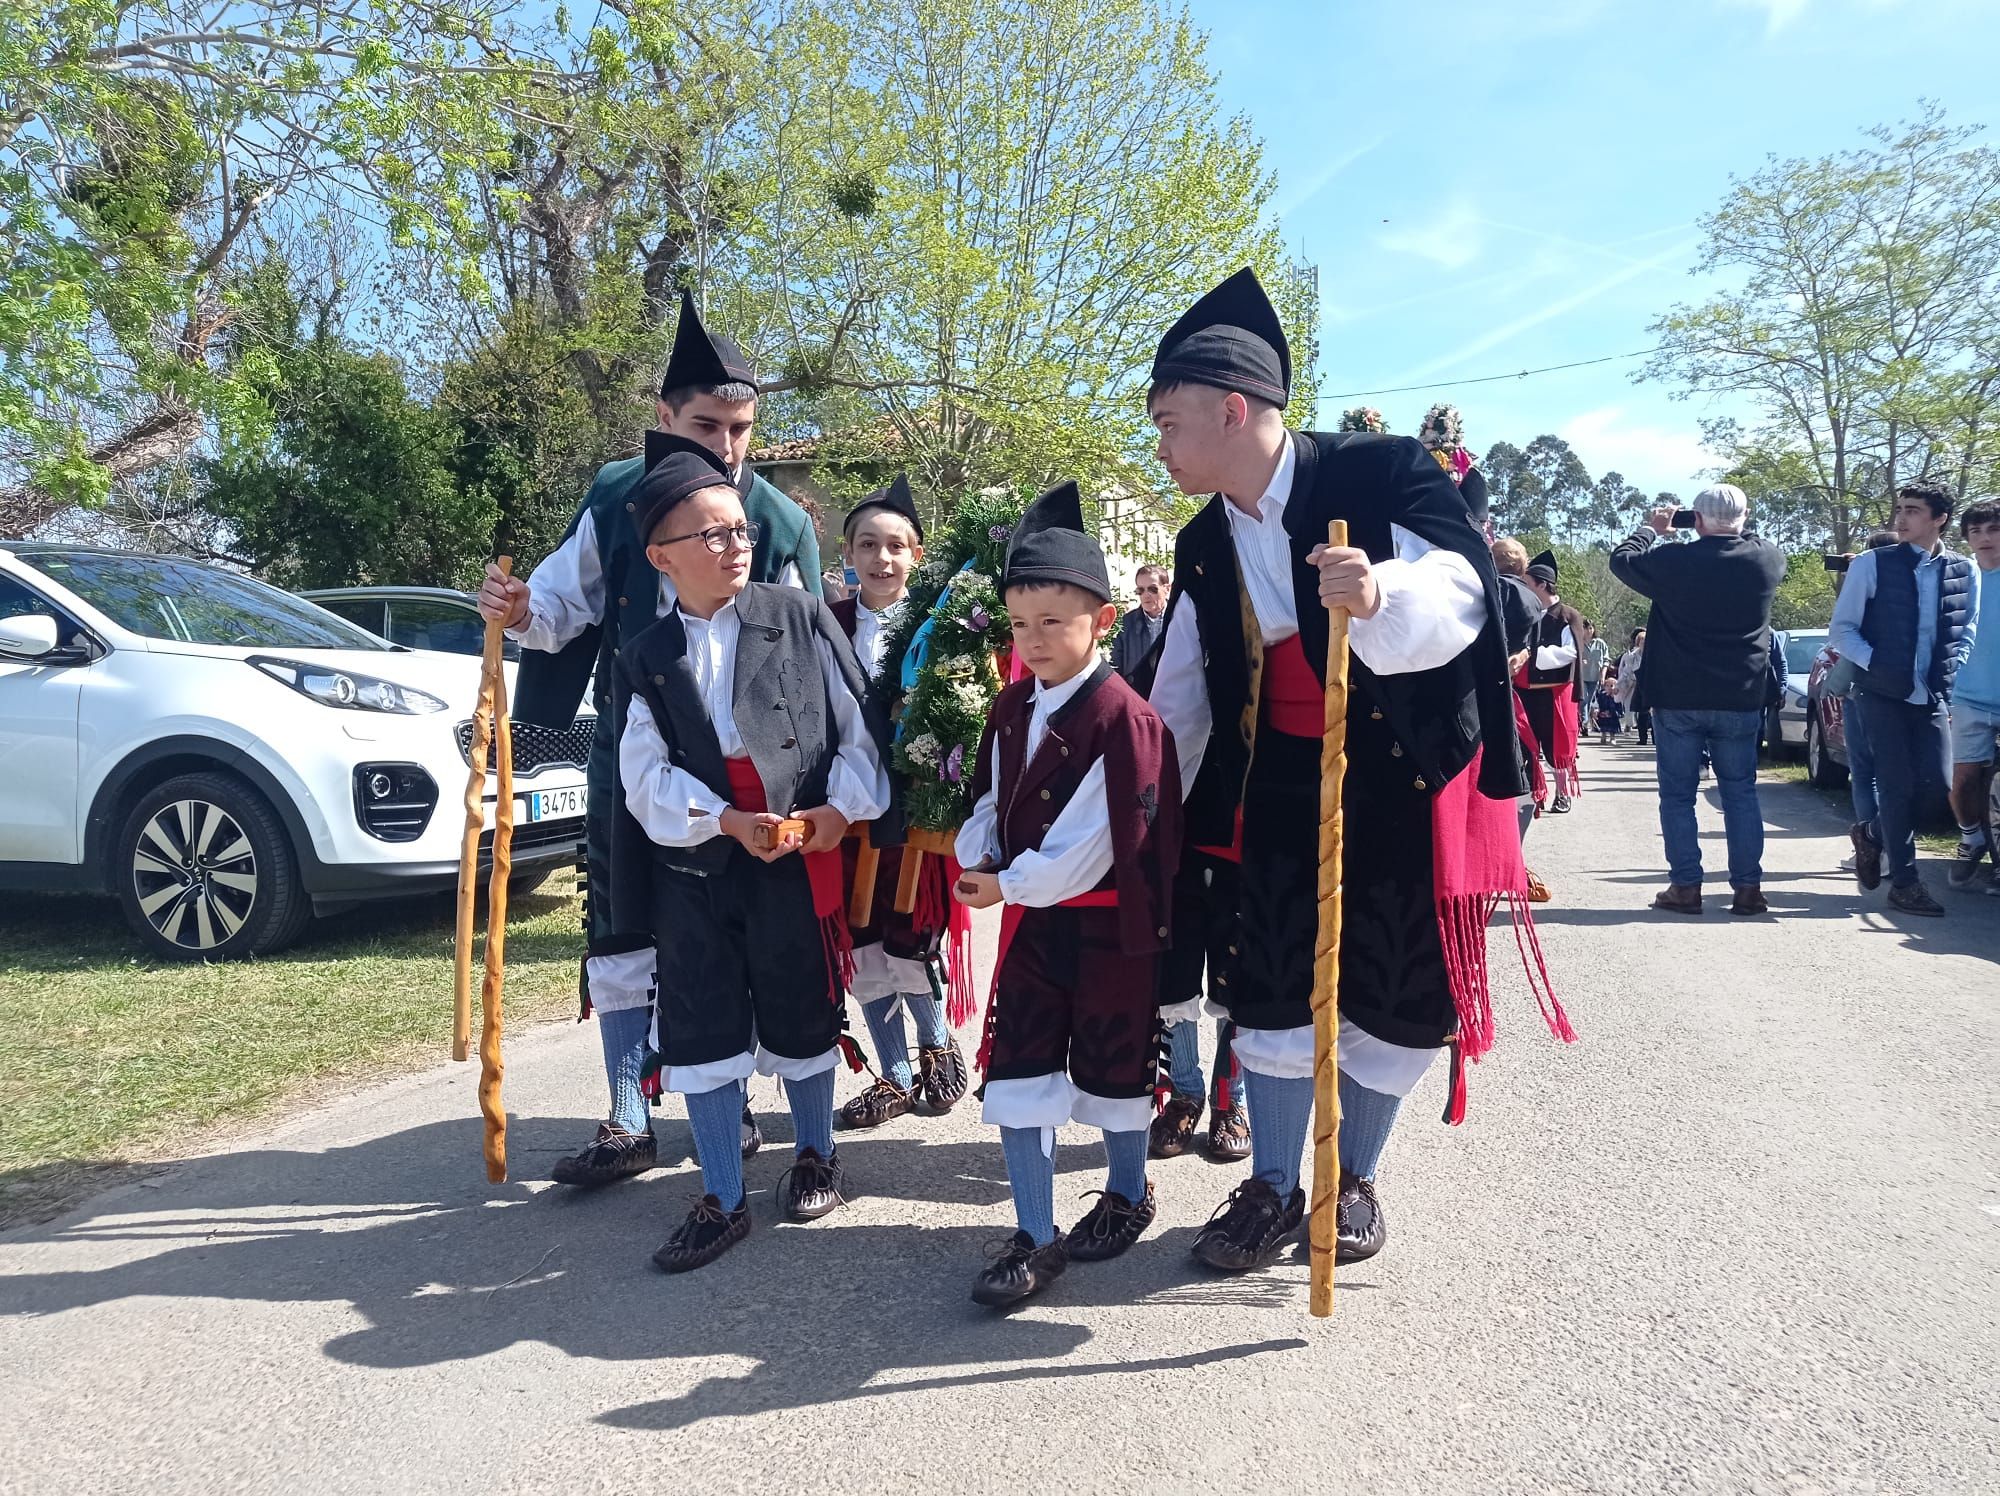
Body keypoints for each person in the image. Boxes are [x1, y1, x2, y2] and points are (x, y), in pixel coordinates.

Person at [1144, 268, 1566, 1277]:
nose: (1158, 446)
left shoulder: (1379, 472)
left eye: (1167, 422)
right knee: (1271, 985)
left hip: (1400, 773)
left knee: (1391, 986)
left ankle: (1356, 1177)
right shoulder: (1201, 539)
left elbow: (1464, 586)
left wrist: (1379, 594)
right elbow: (1184, 687)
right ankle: (1274, 1183)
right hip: (1277, 779)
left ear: (1233, 409)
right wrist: (1144, 800)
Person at [479, 290, 824, 1185]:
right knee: (622, 929)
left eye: (742, 428)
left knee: (730, 934)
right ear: (664, 417)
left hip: (742, 772)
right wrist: (519, 609)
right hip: (628, 754)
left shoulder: (780, 523)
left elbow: (806, 659)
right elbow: (561, 607)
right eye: (707, 424)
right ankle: (628, 1116)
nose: (727, 445)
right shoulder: (615, 498)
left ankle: (729, 1105)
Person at [616, 436, 890, 1271]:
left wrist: (837, 811)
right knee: (699, 1021)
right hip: (698, 858)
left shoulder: (798, 616)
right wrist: (725, 820)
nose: (737, 545)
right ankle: (722, 1195)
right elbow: (643, 775)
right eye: (713, 534)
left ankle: (814, 1153)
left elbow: (858, 728)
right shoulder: (646, 654)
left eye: (740, 529)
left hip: (795, 849)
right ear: (663, 557)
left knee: (801, 1002)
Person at [951, 481, 1183, 1307]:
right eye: (1020, 624)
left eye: (1053, 621)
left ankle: (1127, 1191)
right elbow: (989, 799)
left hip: (1108, 930)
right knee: (1020, 1070)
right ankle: (1033, 1234)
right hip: (1035, 928)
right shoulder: (1013, 705)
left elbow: (1095, 842)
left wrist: (1007, 882)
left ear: (1102, 620)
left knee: (1114, 1075)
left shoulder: (1124, 718)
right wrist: (978, 852)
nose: (1034, 639)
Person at [828, 475, 972, 1127]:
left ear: (916, 553)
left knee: (911, 939)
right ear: (848, 553)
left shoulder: (941, 628)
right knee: (862, 946)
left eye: (894, 546)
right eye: (867, 545)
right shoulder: (826, 625)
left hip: (916, 809)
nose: (881, 558)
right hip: (848, 807)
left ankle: (936, 1051)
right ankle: (892, 1075)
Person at [1610, 485, 1786, 916]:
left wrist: (1652, 529)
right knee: (1740, 794)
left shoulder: (1674, 561)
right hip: (1740, 694)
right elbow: (1748, 537)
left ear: (1698, 520)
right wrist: (1727, 523)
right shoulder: (1766, 559)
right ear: (1744, 518)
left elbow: (1622, 560)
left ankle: (1686, 886)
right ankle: (1748, 888)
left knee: (1678, 796)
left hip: (1679, 695)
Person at [1828, 481, 1979, 915]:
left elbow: (1967, 626)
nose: (1901, 517)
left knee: (1938, 786)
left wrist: (1953, 666)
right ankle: (1905, 884)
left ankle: (1872, 834)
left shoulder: (1963, 569)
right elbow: (1843, 630)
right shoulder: (1872, 564)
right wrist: (1877, 664)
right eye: (1900, 508)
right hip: (1880, 692)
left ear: (1939, 519)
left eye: (1913, 510)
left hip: (1931, 693)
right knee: (1895, 786)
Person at [1492, 537, 1552, 900]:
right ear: (1522, 567)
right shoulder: (1532, 599)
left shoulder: (1485, 588)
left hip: (1477, 696)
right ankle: (1513, 856)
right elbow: (1531, 650)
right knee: (1524, 781)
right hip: (1513, 700)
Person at [1946, 499, 2000, 890]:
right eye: (1976, 531)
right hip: (1966, 697)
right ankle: (1972, 839)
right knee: (1962, 781)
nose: (1984, 538)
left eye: (1993, 529)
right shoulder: (1959, 578)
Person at [1518, 551, 1585, 814]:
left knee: (1556, 747)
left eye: (1528, 583)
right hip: (1525, 691)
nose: (1524, 588)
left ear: (1542, 585)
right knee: (1527, 744)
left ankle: (1562, 793)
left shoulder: (1568, 615)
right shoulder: (1526, 612)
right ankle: (1534, 792)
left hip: (1555, 693)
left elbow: (1571, 652)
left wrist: (1534, 656)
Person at [1111, 563, 1171, 679]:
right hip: (1136, 689)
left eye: (1152, 589)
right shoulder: (1124, 625)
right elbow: (1115, 668)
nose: (1146, 595)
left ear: (1167, 589)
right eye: (1140, 590)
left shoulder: (1181, 620)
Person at [1618, 628, 1651, 744]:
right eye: (1642, 641)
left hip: (1651, 686)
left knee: (1652, 713)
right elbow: (1626, 671)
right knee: (1641, 712)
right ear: (1638, 643)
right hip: (1637, 684)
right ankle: (1642, 738)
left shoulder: (1654, 654)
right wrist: (1619, 684)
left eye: (1646, 641)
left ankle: (1655, 738)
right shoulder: (1632, 656)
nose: (1644, 644)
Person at [1593, 671, 1624, 743]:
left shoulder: (1616, 697)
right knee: (1603, 726)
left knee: (1612, 727)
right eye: (1607, 686)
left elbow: (1619, 705)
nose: (1609, 688)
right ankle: (1603, 736)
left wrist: (1618, 712)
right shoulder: (1602, 695)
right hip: (1603, 713)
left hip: (1613, 714)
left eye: (1612, 686)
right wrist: (1597, 710)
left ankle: (1612, 738)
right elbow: (1598, 703)